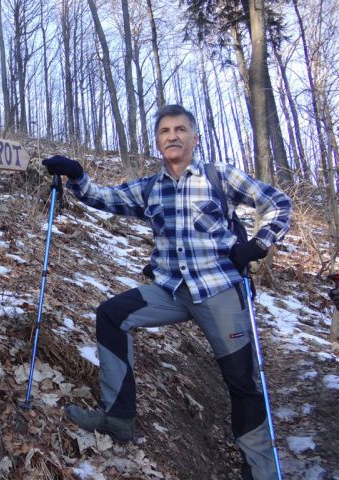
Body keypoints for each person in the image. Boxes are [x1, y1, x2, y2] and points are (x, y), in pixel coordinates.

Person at [42, 104, 292, 480]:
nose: (172, 136)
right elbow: (103, 198)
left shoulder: (218, 177)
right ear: (157, 142)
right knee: (111, 315)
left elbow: (278, 203)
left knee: (242, 382)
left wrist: (258, 245)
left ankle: (259, 470)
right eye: (164, 131)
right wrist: (77, 175)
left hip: (219, 289)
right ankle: (119, 417)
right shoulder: (151, 187)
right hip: (171, 290)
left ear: (194, 137)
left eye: (179, 129)